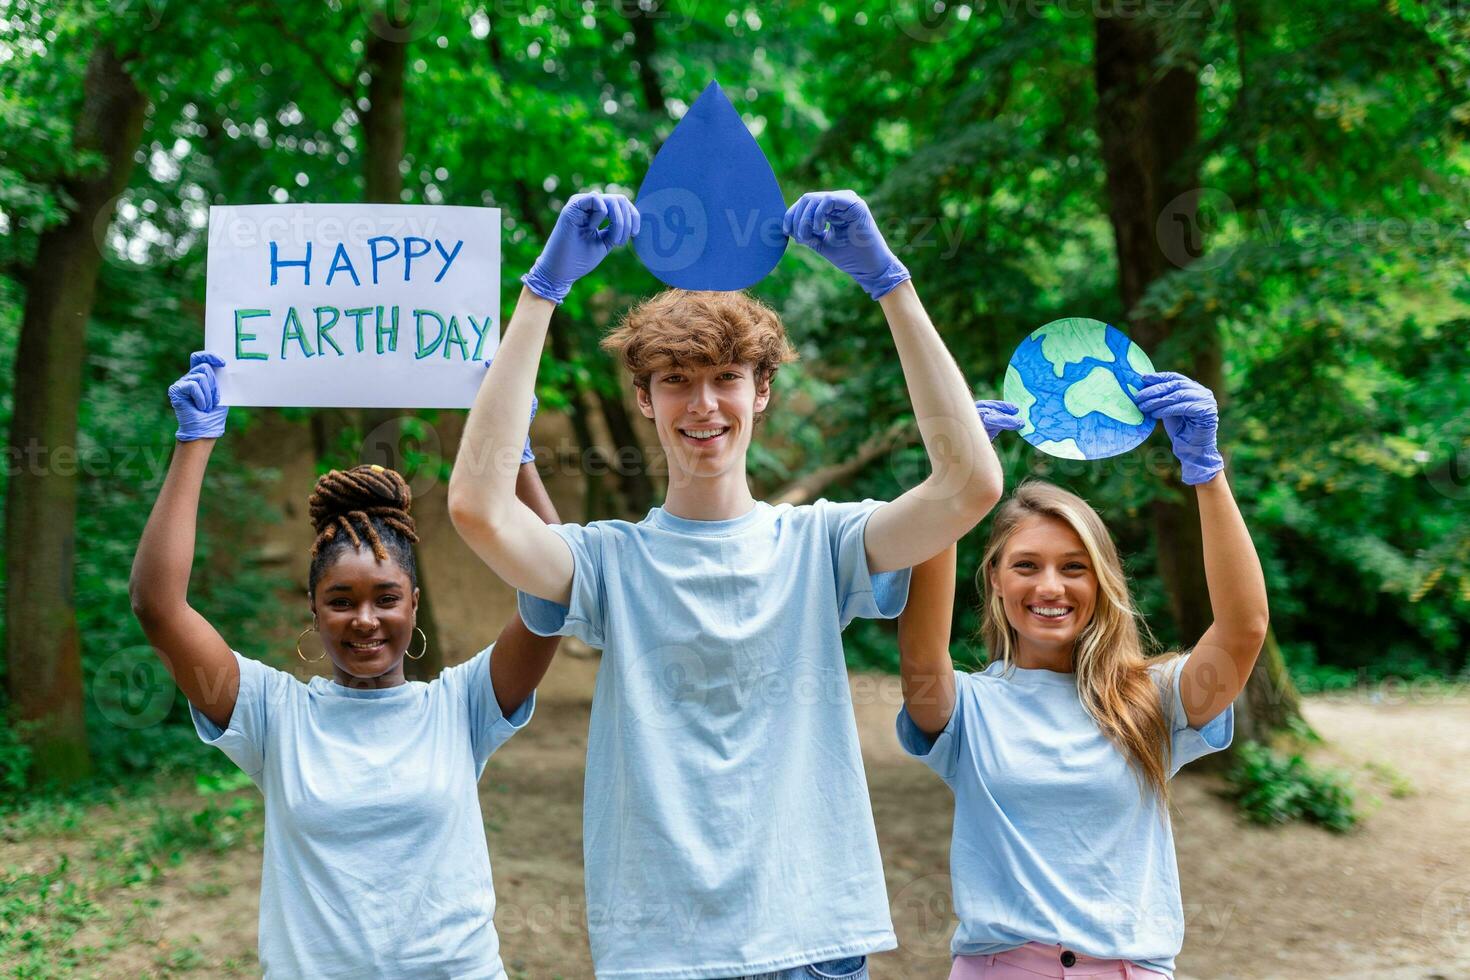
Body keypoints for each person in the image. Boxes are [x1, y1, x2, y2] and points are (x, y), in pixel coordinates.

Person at [447, 189, 1004, 978]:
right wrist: (541, 292)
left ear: (761, 391)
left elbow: (972, 484)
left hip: (812, 942)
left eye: (727, 377)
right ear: (644, 399)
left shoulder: (822, 544)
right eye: (675, 379)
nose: (703, 403)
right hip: (661, 952)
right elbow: (476, 507)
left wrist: (891, 283)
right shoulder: (609, 563)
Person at [130, 353, 561, 979]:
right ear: (314, 608)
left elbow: (556, 586)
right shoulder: (271, 713)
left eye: (386, 597)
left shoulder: (461, 706)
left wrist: (513, 453)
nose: (365, 619)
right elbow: (157, 607)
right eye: (341, 600)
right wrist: (194, 443)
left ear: (413, 603)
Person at [896, 381, 1270, 979]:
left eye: (1075, 568)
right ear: (994, 578)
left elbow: (1245, 627)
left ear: (1101, 583)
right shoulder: (966, 707)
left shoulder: (1154, 697)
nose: (1050, 587)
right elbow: (920, 648)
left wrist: (1206, 471)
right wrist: (953, 485)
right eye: (1026, 566)